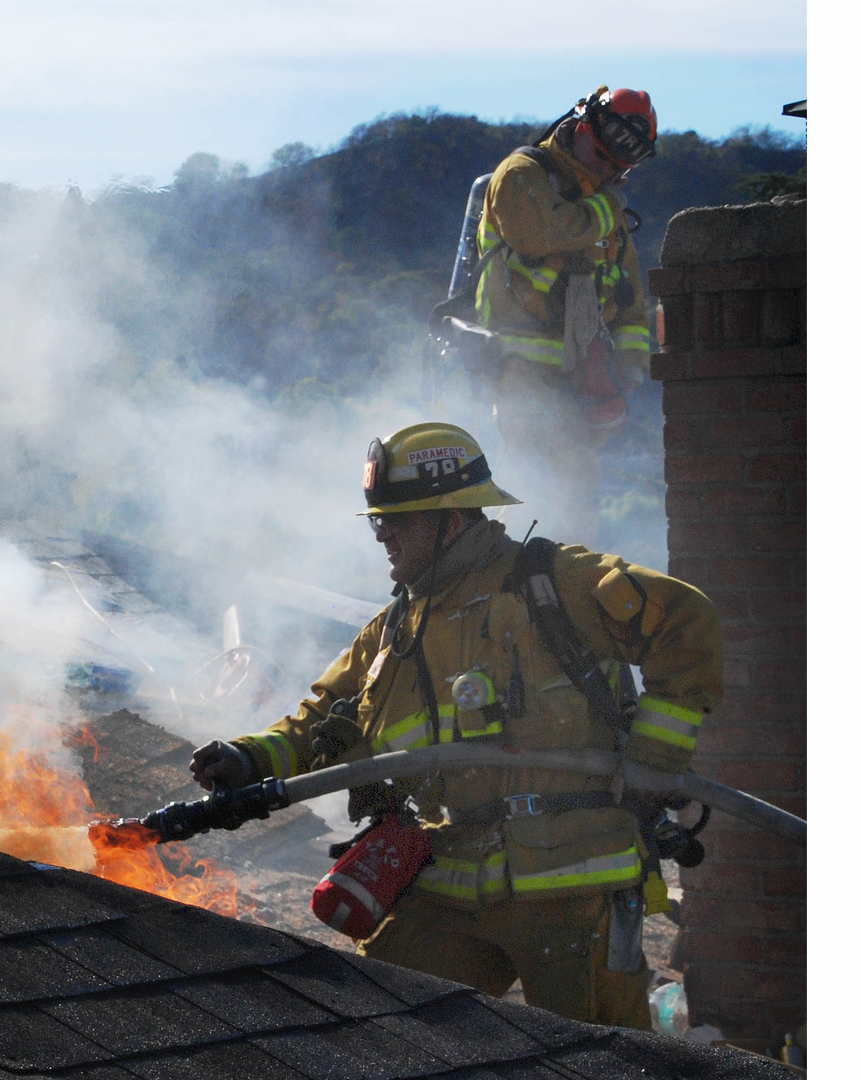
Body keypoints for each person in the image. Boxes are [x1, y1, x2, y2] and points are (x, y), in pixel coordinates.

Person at [189, 421, 721, 1028]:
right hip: (449, 880)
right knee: (381, 1030)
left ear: (453, 518)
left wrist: (655, 758)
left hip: (573, 887)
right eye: (377, 521)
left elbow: (687, 621)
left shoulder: (555, 583)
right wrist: (249, 757)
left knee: (602, 1058)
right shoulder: (395, 632)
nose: (382, 536)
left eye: (398, 520)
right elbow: (321, 722)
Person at [474, 87, 657, 541]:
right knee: (533, 488)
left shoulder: (604, 204)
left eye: (619, 166)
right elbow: (541, 233)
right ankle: (513, 579)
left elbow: (630, 299)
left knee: (576, 500)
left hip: (584, 377)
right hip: (521, 372)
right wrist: (607, 208)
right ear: (581, 126)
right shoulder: (522, 175)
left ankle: (559, 580)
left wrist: (627, 373)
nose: (608, 169)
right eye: (601, 156)